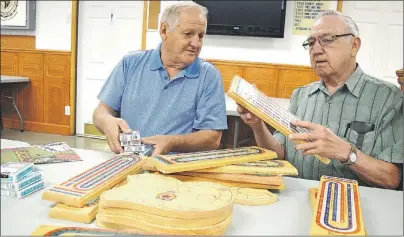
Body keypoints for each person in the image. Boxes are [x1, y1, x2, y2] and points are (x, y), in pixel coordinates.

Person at [237, 10, 404, 189]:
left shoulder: (388, 98)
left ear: (354, 46)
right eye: (311, 43)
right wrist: (257, 125)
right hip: (299, 198)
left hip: (355, 207)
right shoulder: (300, 96)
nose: (316, 50)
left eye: (327, 40)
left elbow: (391, 178)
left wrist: (346, 152)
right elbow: (279, 155)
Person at [93, 2, 227, 156]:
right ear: (164, 31)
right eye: (188, 34)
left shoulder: (209, 76)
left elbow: (212, 138)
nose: (196, 43)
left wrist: (172, 142)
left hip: (176, 171)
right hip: (128, 163)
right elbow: (100, 112)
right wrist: (107, 122)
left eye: (201, 36)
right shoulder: (130, 63)